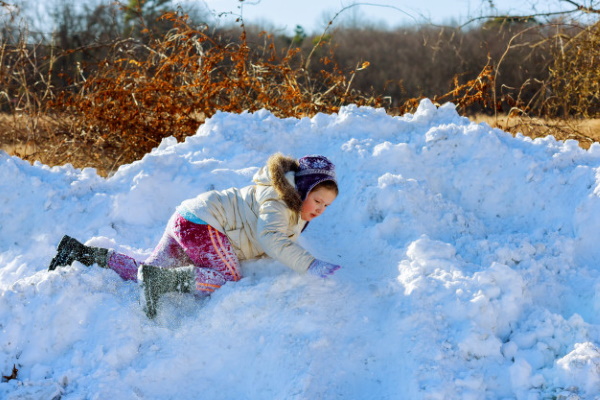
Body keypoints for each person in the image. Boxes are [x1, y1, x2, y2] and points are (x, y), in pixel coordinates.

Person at [47, 153, 341, 318]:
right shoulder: (277, 201)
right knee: (226, 281)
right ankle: (162, 282)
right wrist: (310, 264)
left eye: (326, 206)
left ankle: (79, 253)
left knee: (145, 269)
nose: (320, 210)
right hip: (205, 224)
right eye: (317, 201)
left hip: (188, 218)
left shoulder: (290, 207)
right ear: (302, 188)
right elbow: (271, 238)